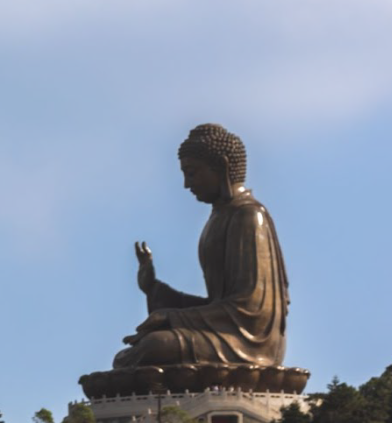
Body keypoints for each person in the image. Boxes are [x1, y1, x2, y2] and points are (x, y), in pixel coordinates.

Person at [114, 124, 289, 368]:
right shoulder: (220, 216)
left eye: (192, 173)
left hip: (249, 344)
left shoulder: (248, 216)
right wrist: (155, 289)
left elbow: (251, 311)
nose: (187, 184)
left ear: (222, 167)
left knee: (153, 347)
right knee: (134, 354)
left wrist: (171, 316)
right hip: (223, 334)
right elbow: (216, 305)